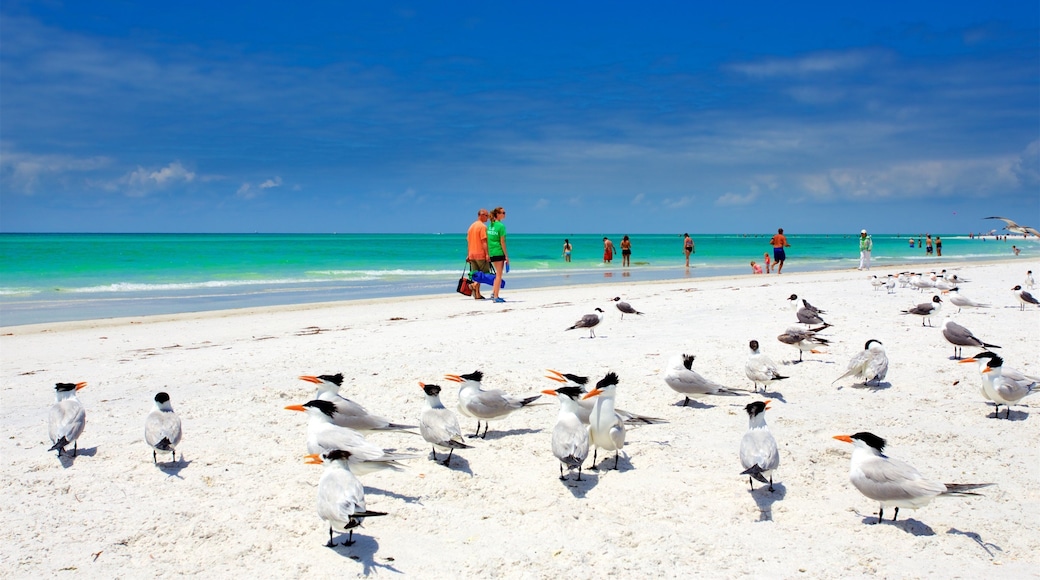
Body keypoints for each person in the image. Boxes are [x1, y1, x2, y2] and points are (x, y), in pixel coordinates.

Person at [465, 208, 490, 300]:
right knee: (484, 274)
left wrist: (468, 254)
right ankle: (473, 285)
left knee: (476, 275)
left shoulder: (471, 227)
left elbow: (469, 242)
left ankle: (478, 295)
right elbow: (484, 242)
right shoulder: (482, 227)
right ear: (481, 215)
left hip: (472, 254)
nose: (488, 217)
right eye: (486, 215)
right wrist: (487, 254)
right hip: (480, 254)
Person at [487, 207, 508, 303]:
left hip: (492, 252)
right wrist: (506, 256)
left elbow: (488, 241)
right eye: (503, 213)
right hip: (499, 252)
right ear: (498, 214)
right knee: (499, 275)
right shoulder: (501, 226)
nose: (505, 214)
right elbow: (502, 242)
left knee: (497, 274)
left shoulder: (490, 226)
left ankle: (493, 293)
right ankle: (496, 296)